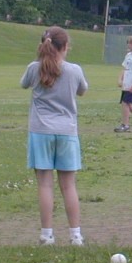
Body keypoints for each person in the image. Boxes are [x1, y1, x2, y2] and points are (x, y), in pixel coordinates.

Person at [20, 26, 88, 246]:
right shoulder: (74, 70)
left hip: (40, 132)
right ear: (65, 47)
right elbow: (82, 90)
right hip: (67, 132)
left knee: (45, 186)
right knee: (69, 186)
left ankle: (47, 235)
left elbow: (24, 84)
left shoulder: (34, 68)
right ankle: (75, 235)